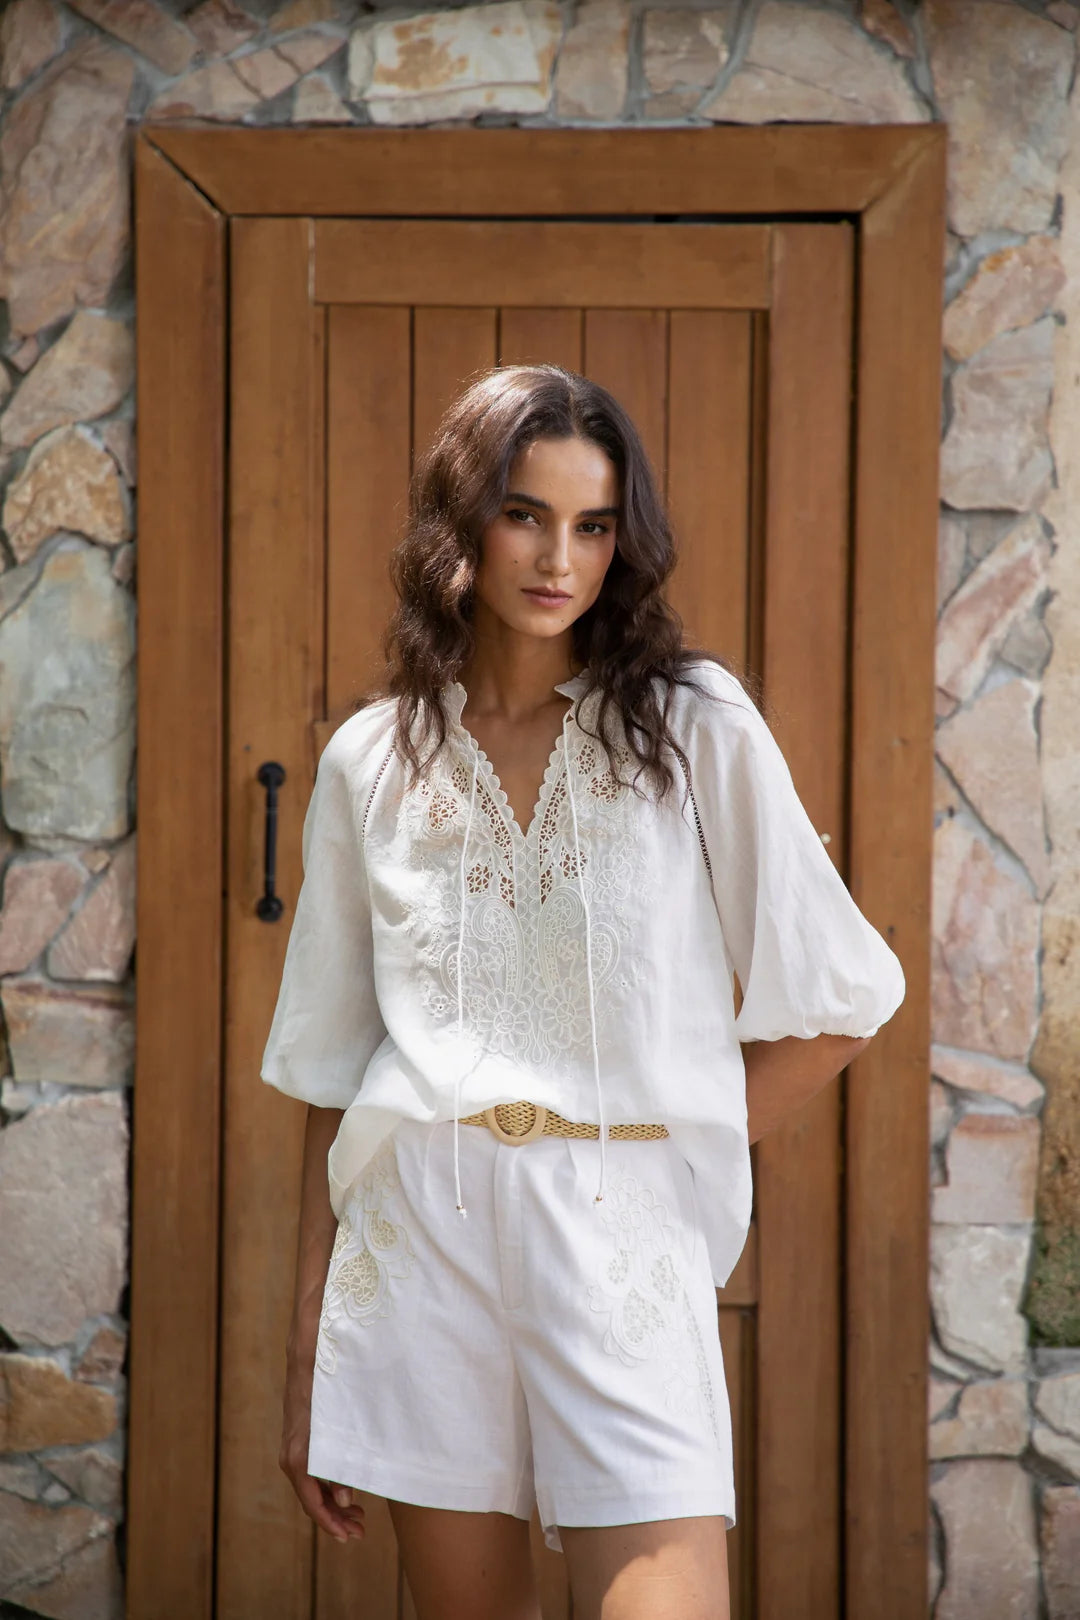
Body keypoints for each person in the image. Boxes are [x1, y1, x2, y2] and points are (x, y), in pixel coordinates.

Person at [261, 364, 906, 1620]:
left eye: (594, 523)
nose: (561, 556)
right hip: (419, 1246)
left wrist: (669, 1149)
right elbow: (334, 1076)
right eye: (525, 514)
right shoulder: (366, 765)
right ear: (463, 524)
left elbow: (841, 997)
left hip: (619, 1245)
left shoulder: (686, 726)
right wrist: (310, 1359)